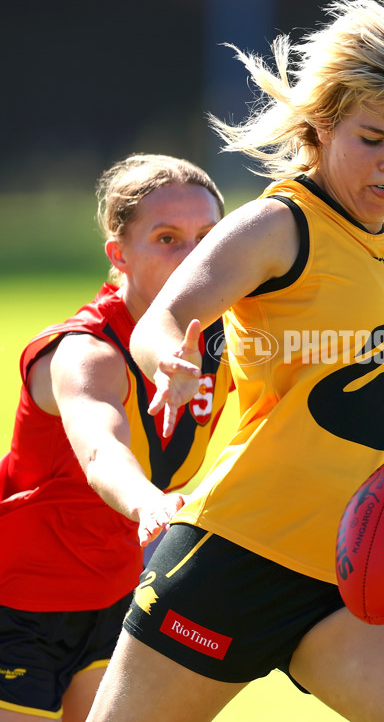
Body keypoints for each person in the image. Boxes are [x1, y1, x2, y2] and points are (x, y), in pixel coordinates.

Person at [88, 0, 384, 722]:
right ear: (320, 127)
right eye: (374, 138)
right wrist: (170, 366)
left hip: (349, 566)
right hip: (232, 559)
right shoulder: (276, 225)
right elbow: (168, 319)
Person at [0, 154, 231, 722]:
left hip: (116, 596)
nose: (192, 255)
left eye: (206, 237)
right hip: (18, 599)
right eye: (167, 237)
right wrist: (148, 503)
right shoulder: (84, 351)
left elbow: (311, 412)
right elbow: (102, 448)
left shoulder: (232, 342)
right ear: (118, 255)